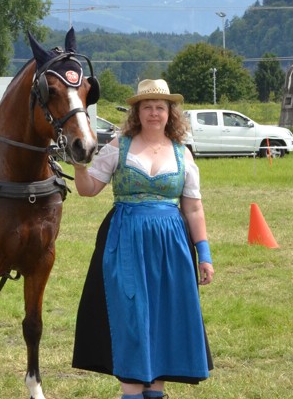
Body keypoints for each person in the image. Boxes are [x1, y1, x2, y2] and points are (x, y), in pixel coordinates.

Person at [71, 79, 214, 399]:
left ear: (170, 113)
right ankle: (132, 389)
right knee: (131, 317)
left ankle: (153, 391)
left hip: (171, 250)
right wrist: (80, 166)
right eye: (147, 107)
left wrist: (203, 254)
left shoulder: (182, 154)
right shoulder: (118, 147)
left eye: (159, 107)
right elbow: (89, 189)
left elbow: (193, 208)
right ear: (137, 112)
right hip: (126, 243)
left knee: (163, 322)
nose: (153, 113)